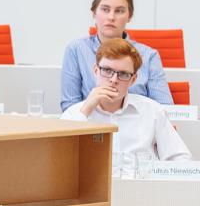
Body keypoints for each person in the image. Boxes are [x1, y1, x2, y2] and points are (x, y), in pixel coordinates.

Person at [61, 38, 191, 161]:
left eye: (123, 74)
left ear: (133, 80)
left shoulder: (152, 111)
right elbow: (59, 158)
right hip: (91, 184)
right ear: (96, 71)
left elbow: (181, 159)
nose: (113, 80)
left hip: (140, 183)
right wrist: (86, 110)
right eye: (107, 70)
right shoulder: (74, 114)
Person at [60, 0, 173, 111]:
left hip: (137, 127)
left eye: (119, 11)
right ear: (94, 12)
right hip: (92, 126)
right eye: (105, 9)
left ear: (129, 16)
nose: (111, 17)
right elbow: (69, 108)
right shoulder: (76, 50)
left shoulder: (149, 55)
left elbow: (166, 109)